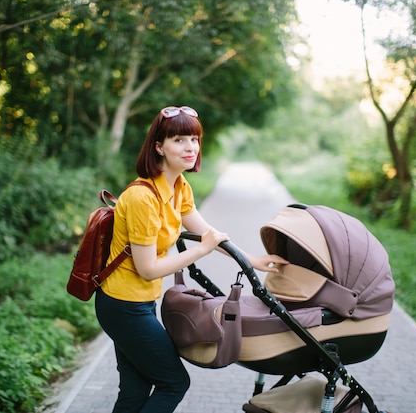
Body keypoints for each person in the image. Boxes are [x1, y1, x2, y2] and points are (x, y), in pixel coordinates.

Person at [95, 105, 288, 413]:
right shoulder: (143, 197)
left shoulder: (178, 187)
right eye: (179, 140)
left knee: (136, 388)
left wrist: (251, 260)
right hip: (122, 305)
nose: (190, 148)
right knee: (174, 383)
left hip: (139, 302)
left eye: (194, 140)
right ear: (159, 146)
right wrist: (201, 250)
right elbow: (148, 270)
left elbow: (207, 232)